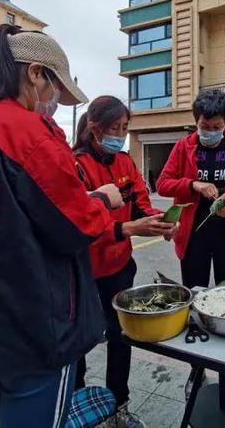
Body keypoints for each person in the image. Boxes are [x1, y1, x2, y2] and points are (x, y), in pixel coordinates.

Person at [0, 25, 123, 428]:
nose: (53, 103)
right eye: (54, 90)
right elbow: (76, 226)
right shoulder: (29, 135)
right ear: (35, 73)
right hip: (31, 326)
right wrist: (103, 199)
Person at [71, 96, 177, 409]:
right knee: (79, 342)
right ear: (94, 128)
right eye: (115, 128)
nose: (120, 134)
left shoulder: (126, 162)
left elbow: (141, 202)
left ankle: (120, 401)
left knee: (120, 337)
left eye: (125, 128)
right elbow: (80, 224)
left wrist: (160, 221)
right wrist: (128, 229)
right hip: (83, 273)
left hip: (119, 268)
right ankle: (75, 401)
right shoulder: (75, 165)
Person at [157, 90, 225, 288]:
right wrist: (193, 185)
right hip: (193, 232)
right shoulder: (183, 147)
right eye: (204, 127)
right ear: (196, 122)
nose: (210, 132)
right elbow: (162, 185)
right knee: (194, 290)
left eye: (216, 127)